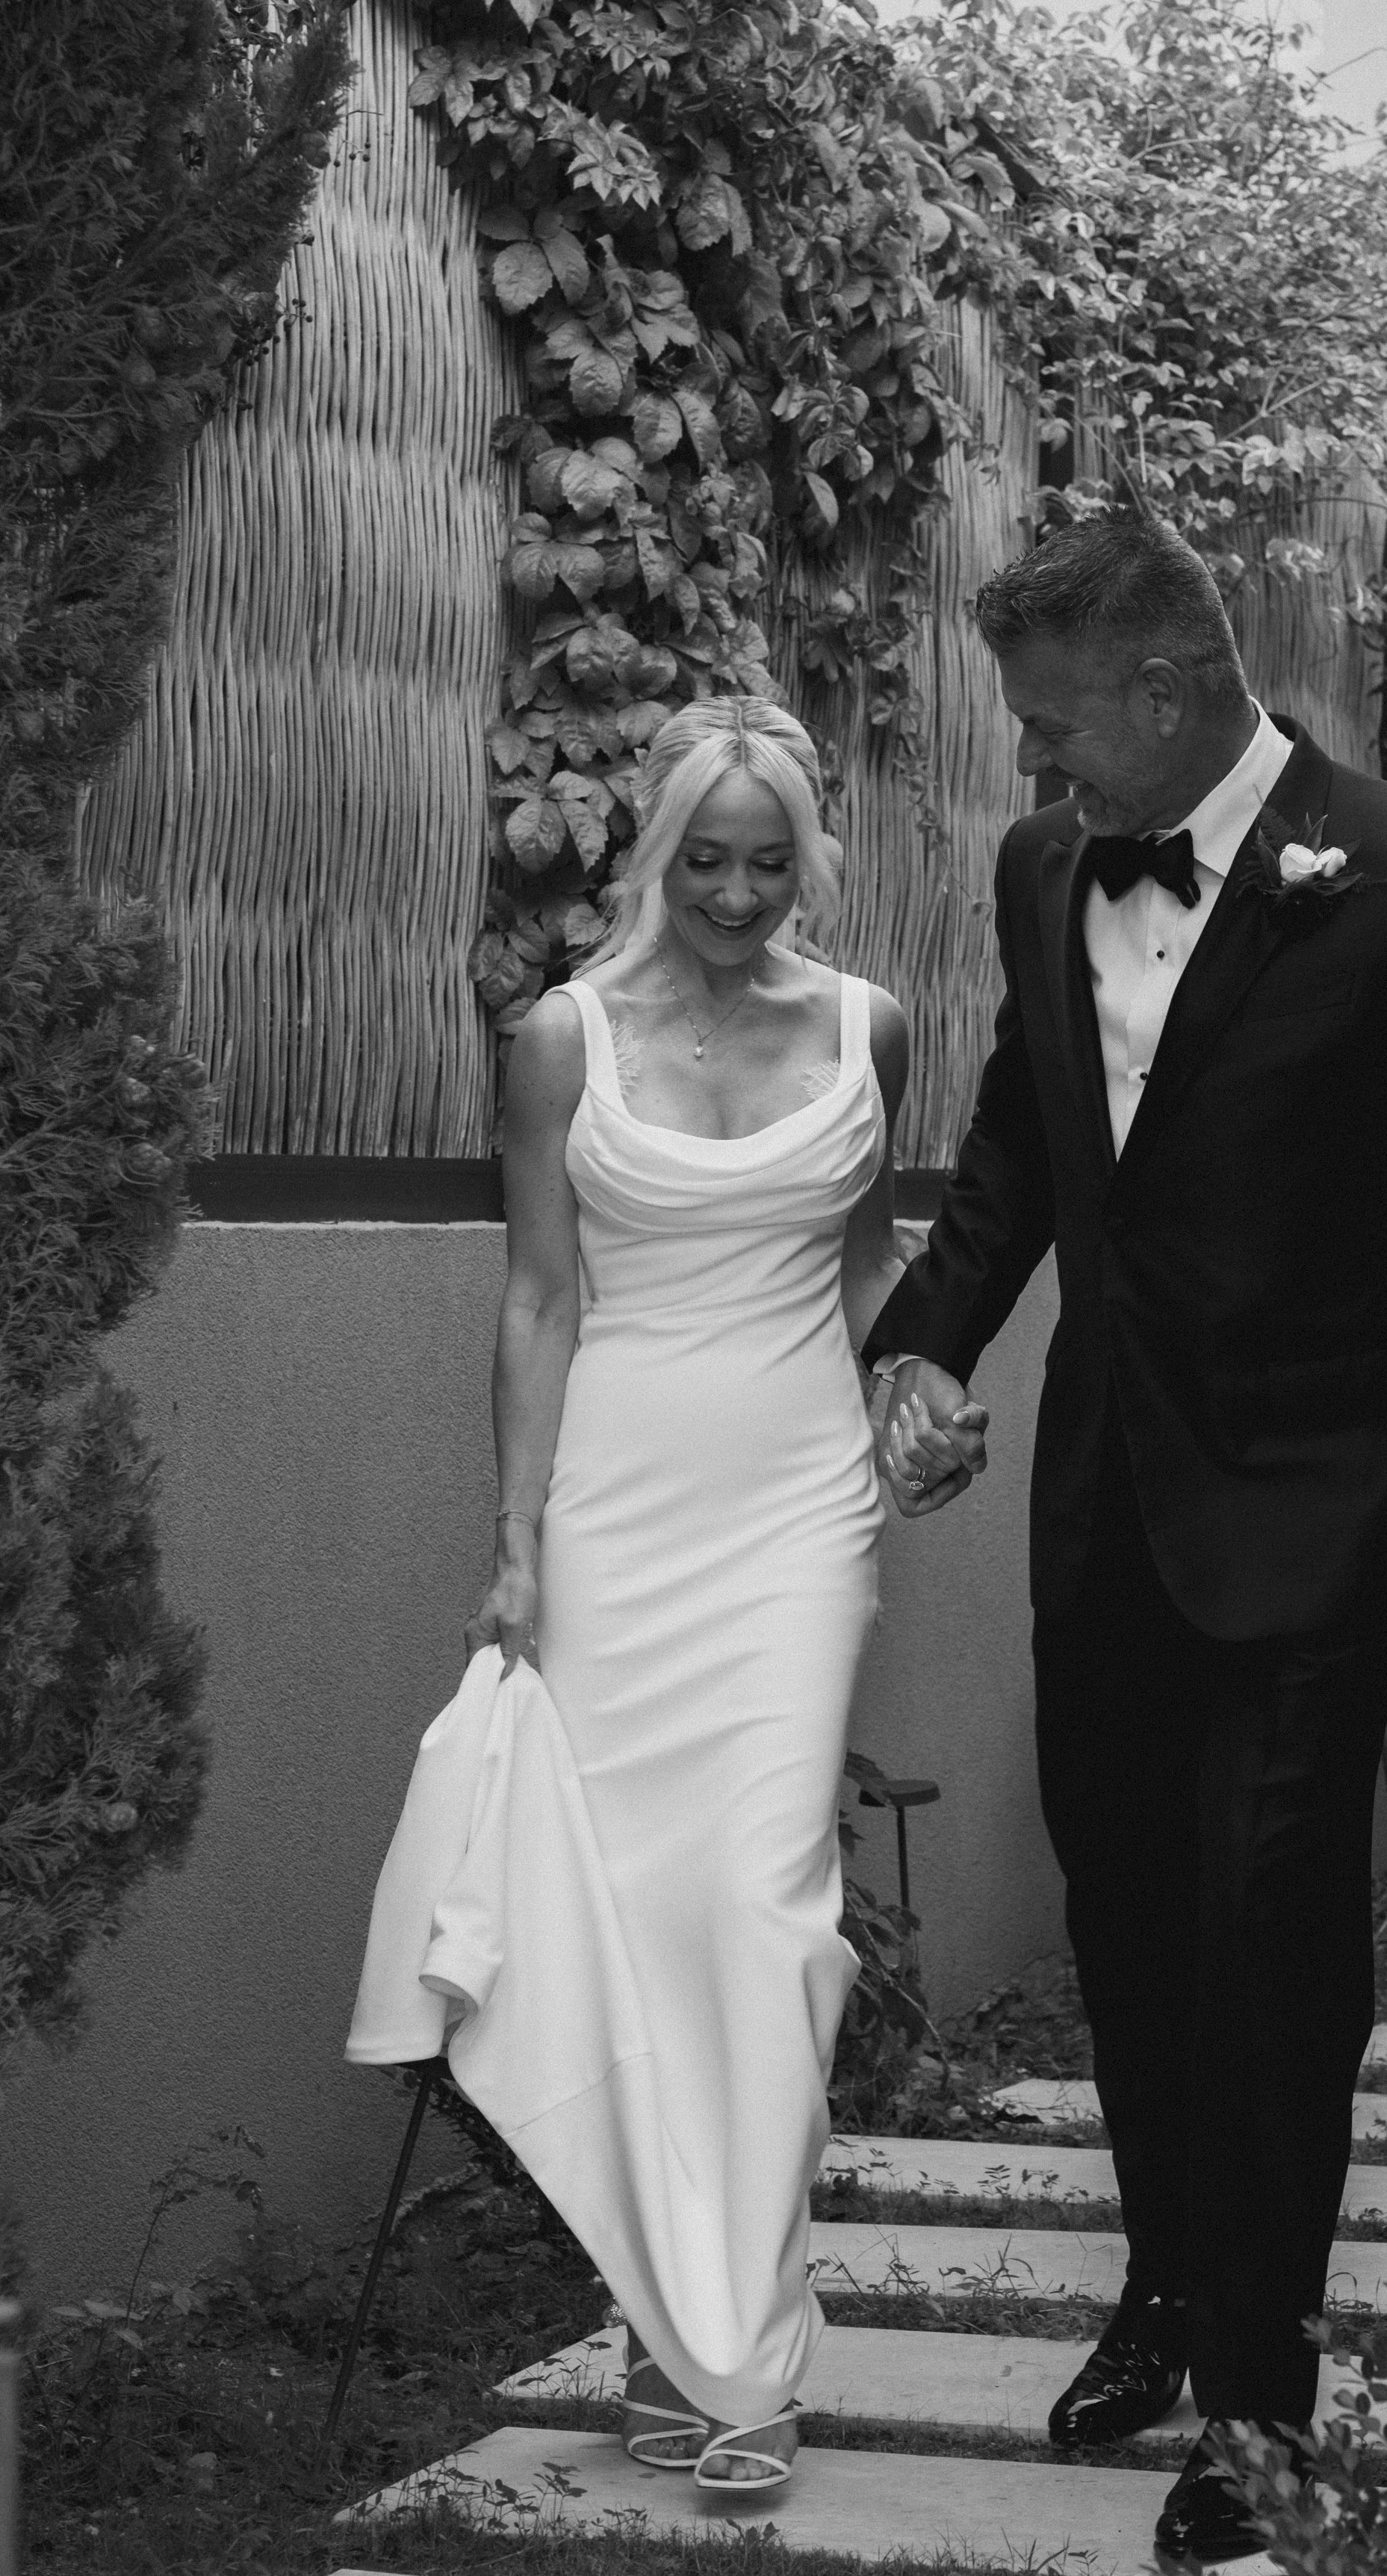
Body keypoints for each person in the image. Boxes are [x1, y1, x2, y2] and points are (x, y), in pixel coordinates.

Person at [867, 512, 1387, 2562]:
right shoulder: (1038, 873)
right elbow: (1026, 1137)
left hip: (1330, 1489)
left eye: (1052, 723)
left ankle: (1260, 2411)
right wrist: (924, 1344)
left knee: (1267, 1929)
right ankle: (1169, 2280)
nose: (1030, 767)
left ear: (1172, 693)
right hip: (1106, 1489)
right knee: (1121, 1901)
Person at [347, 695, 916, 2493]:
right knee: (631, 1925)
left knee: (763, 1910)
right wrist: (514, 1539)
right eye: (710, 858)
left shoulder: (868, 1027)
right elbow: (538, 1299)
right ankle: (682, 2335)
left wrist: (916, 1409)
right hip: (613, 1510)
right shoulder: (558, 1042)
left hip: (800, 1510)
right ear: (655, 854)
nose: (741, 891)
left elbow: (865, 1265)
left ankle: (738, 2354)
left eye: (772, 860)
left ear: (807, 856)